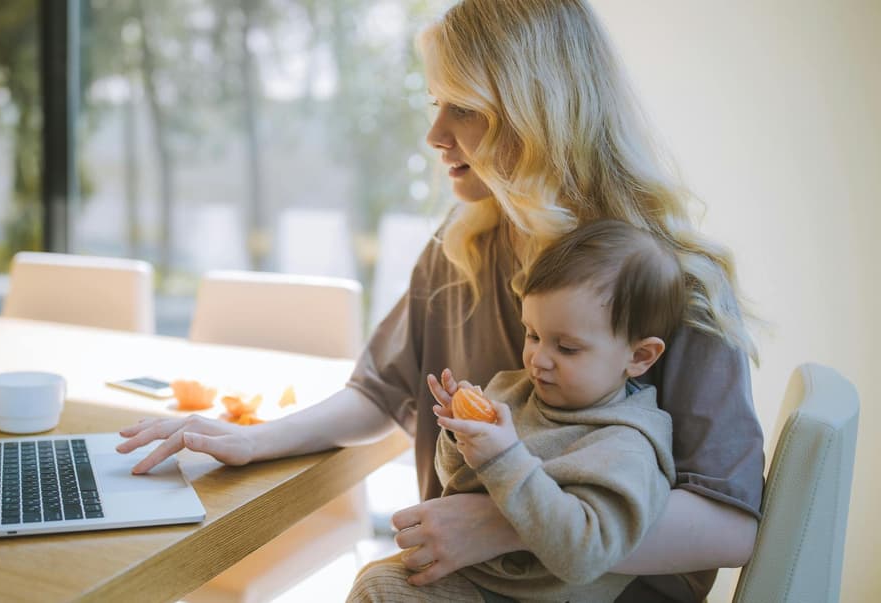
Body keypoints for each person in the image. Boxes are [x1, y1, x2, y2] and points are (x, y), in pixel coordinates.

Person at [115, 1, 764, 600]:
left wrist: (508, 521)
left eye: (464, 108)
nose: (434, 133)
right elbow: (379, 393)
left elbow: (731, 523)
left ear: (537, 112)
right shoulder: (459, 251)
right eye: (435, 102)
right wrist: (257, 438)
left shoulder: (679, 282)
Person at [348, 219, 684, 602]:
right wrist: (461, 437)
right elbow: (457, 484)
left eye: (567, 348)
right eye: (533, 335)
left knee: (379, 589)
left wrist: (505, 457)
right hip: (475, 578)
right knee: (379, 580)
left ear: (639, 356)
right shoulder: (514, 390)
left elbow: (584, 556)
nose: (538, 359)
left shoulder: (626, 446)